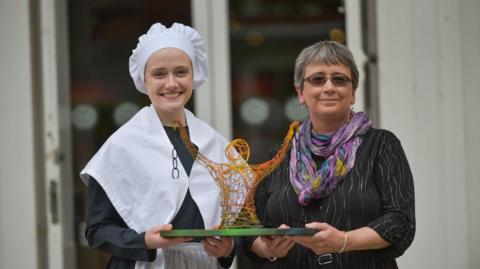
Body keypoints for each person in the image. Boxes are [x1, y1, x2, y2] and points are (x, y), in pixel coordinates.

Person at [238, 40, 415, 268]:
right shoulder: (280, 156)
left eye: (339, 79)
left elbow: (401, 222)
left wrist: (344, 241)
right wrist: (266, 247)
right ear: (301, 92)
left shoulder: (382, 145)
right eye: (317, 79)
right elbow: (247, 224)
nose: (329, 87)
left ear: (352, 93)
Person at [80, 22, 236, 269]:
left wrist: (228, 249)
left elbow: (237, 224)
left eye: (181, 72)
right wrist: (144, 241)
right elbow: (97, 231)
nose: (171, 83)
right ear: (144, 79)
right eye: (159, 74)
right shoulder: (122, 146)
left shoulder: (216, 144)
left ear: (194, 75)